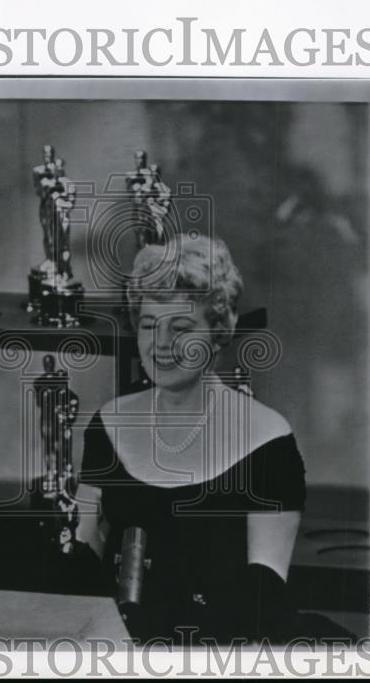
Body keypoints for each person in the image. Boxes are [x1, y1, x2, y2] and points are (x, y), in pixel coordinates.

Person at [75, 234, 313, 644]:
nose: (161, 344)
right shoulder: (108, 423)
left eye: (181, 327)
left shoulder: (268, 439)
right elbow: (83, 554)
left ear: (218, 331)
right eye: (149, 325)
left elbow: (265, 592)